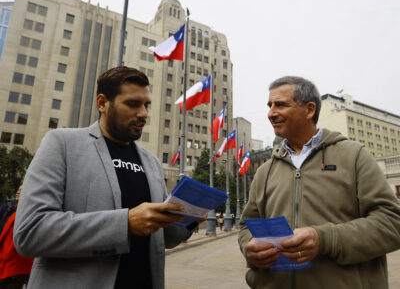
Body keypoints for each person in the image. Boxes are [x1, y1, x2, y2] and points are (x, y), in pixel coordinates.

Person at [14, 66, 199, 289]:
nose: (143, 113)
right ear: (102, 103)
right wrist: (125, 223)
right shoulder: (62, 144)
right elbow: (30, 232)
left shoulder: (151, 162)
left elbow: (166, 238)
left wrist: (190, 219)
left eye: (146, 105)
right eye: (133, 104)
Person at [238, 76, 400, 289]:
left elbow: (392, 223)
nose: (271, 113)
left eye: (281, 105)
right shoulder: (264, 171)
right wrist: (249, 248)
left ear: (309, 110)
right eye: (270, 105)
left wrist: (324, 239)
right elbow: (246, 226)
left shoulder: (354, 156)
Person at [0, 186, 34, 288]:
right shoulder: (9, 209)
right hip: (5, 260)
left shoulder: (30, 212)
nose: (18, 191)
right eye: (18, 189)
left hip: (15, 266)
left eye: (22, 189)